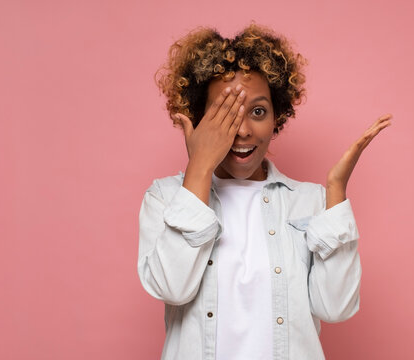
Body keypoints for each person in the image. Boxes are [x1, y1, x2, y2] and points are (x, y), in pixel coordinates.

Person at [138, 22, 391, 360]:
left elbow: (335, 308)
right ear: (199, 121)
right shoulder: (165, 198)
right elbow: (172, 287)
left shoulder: (311, 202)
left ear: (277, 117)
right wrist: (198, 168)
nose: (242, 130)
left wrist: (335, 193)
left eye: (257, 111)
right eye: (223, 115)